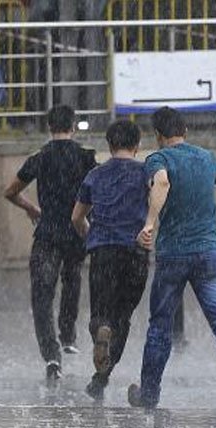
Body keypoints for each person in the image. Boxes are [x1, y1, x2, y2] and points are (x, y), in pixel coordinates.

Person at [128, 107, 216, 410]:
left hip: (173, 254)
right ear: (185, 132)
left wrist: (149, 223)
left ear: (158, 135)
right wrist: (212, 217)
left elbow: (162, 183)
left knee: (160, 326)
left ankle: (148, 395)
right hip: (208, 253)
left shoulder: (158, 159)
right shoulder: (207, 158)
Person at [4, 105, 96, 383]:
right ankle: (68, 335)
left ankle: (52, 355)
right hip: (76, 230)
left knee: (42, 294)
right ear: (73, 126)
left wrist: (31, 208)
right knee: (72, 278)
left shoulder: (40, 157)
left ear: (49, 127)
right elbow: (97, 191)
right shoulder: (85, 157)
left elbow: (10, 192)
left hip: (47, 233)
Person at [71, 120, 149, 400]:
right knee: (123, 318)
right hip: (136, 252)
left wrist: (91, 236)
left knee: (101, 313)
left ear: (109, 144)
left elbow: (77, 217)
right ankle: (100, 379)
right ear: (137, 145)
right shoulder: (145, 173)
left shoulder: (95, 175)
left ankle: (101, 331)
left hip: (103, 252)